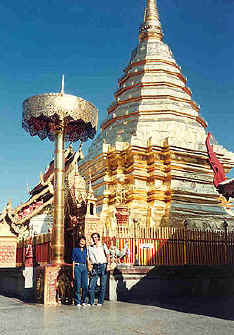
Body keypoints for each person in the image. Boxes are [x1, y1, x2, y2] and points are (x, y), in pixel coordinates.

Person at [87, 232, 111, 306]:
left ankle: (100, 301)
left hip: (103, 265)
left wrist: (108, 265)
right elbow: (87, 258)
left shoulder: (103, 246)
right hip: (95, 266)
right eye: (93, 237)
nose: (94, 239)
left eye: (96, 237)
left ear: (98, 238)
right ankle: (91, 301)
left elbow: (107, 255)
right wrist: (89, 266)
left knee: (103, 285)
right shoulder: (90, 248)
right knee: (91, 285)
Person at [72, 236, 88, 307]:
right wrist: (73, 271)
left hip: (84, 267)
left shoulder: (86, 250)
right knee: (78, 285)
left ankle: (84, 300)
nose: (82, 243)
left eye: (84, 241)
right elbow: (73, 261)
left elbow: (87, 259)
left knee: (85, 285)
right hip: (77, 267)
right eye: (81, 241)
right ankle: (77, 301)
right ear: (79, 242)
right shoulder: (75, 250)